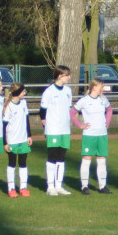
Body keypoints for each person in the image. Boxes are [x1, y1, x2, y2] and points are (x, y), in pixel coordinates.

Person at [73, 78, 113, 194]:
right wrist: (80, 125)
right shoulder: (84, 100)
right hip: (89, 135)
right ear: (94, 87)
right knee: (87, 159)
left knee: (101, 160)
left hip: (102, 135)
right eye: (101, 86)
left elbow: (109, 110)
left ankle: (102, 186)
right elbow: (72, 113)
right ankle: (84, 186)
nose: (103, 88)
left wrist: (107, 122)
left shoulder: (103, 99)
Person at [40, 66, 74, 195]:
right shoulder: (49, 92)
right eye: (67, 75)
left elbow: (69, 108)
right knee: (52, 157)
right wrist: (46, 127)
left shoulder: (68, 91)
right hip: (53, 129)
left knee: (61, 157)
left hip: (65, 129)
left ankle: (59, 185)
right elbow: (42, 111)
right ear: (59, 76)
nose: (69, 77)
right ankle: (50, 187)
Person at [2, 83, 33, 197]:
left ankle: (23, 187)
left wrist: (29, 136)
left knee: (23, 163)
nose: (25, 93)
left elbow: (26, 119)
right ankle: (11, 188)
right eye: (23, 91)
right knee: (12, 163)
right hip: (12, 140)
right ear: (18, 92)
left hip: (23, 139)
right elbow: (4, 125)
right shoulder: (9, 106)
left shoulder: (24, 103)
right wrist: (5, 143)